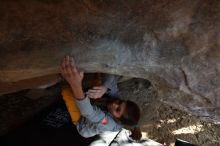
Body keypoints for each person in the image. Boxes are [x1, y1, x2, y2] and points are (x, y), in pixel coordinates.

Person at [59, 56, 142, 141]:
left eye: (117, 109)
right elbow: (111, 79)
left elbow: (88, 112)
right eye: (120, 102)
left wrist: (75, 84)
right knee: (100, 84)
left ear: (118, 119)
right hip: (97, 105)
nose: (114, 103)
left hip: (82, 121)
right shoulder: (115, 105)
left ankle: (64, 81)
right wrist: (105, 88)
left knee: (67, 91)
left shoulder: (109, 124)